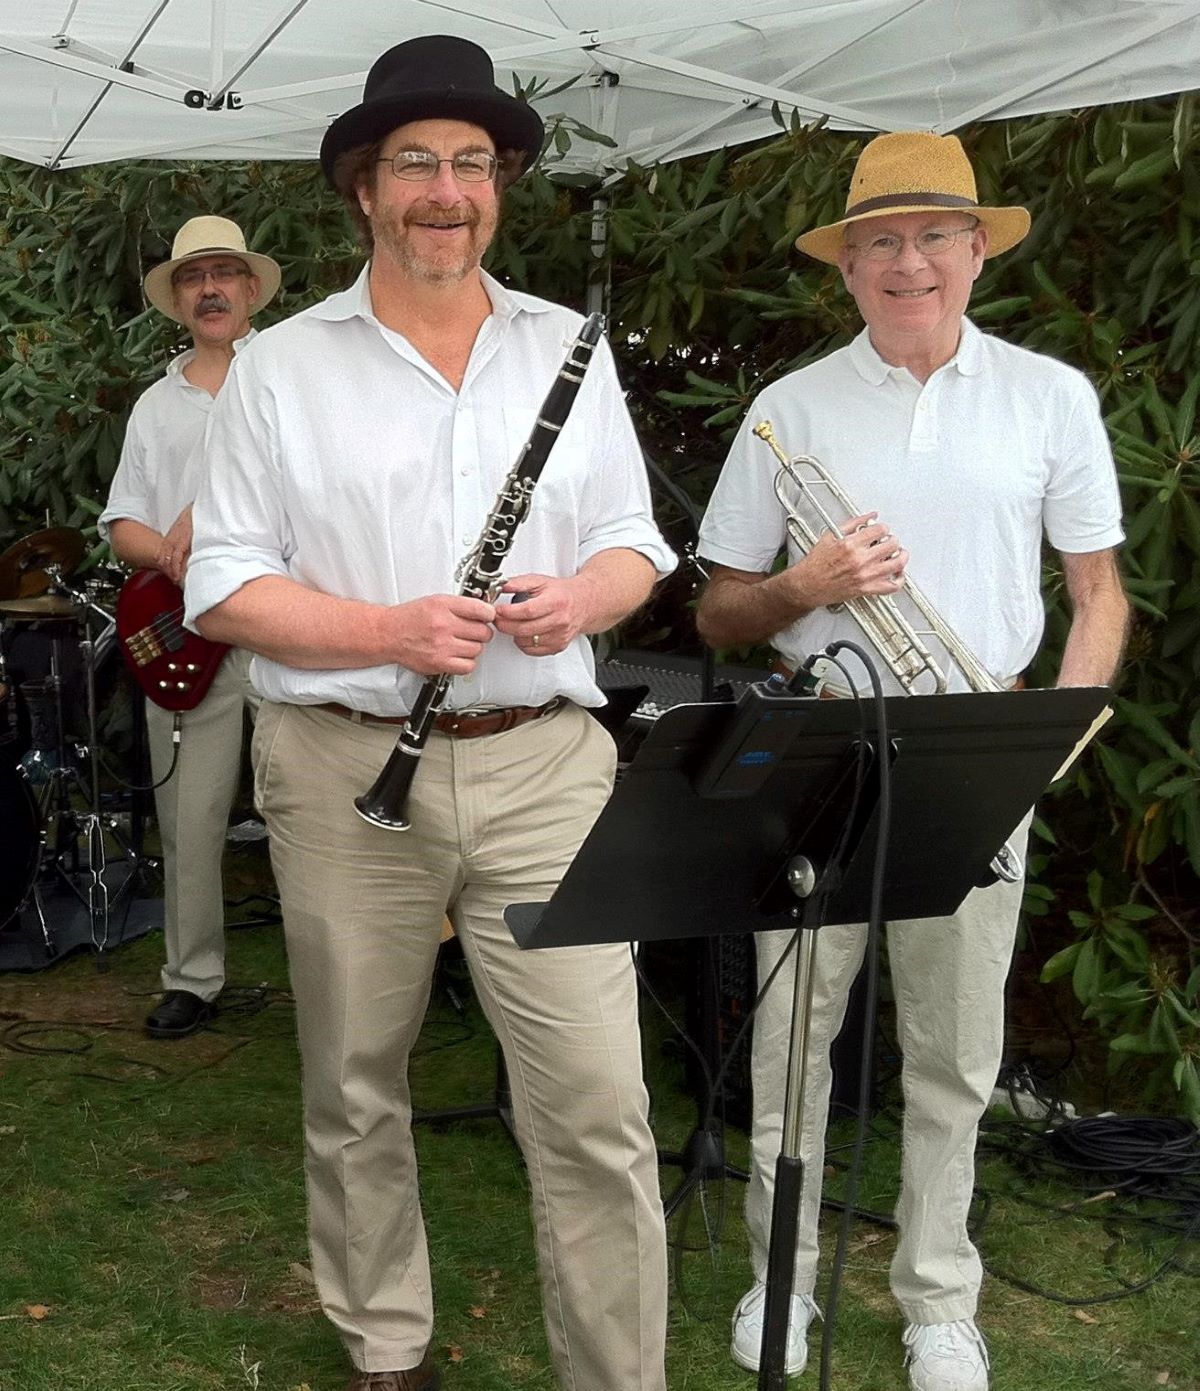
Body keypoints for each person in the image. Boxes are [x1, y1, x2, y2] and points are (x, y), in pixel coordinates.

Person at [183, 35, 673, 1391]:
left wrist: (583, 595)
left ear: (499, 184)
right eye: (415, 164)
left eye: (470, 163)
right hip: (345, 770)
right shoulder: (283, 368)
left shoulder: (571, 344)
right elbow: (223, 582)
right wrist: (387, 627)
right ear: (363, 189)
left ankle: (619, 1371)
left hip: (547, 767)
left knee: (598, 1109)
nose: (445, 189)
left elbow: (636, 539)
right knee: (355, 1082)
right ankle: (385, 1340)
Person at [696, 131, 1129, 1391]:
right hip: (822, 746)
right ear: (845, 268)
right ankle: (778, 1279)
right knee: (795, 1031)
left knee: (955, 1048)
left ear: (978, 248)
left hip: (979, 744)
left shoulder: (1052, 396)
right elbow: (721, 613)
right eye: (880, 239)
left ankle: (940, 1294)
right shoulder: (790, 409)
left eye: (936, 233)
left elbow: (1098, 592)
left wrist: (1055, 730)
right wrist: (803, 583)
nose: (908, 261)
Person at [101, 215, 281, 1038]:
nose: (210, 288)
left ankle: (341, 978)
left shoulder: (291, 377)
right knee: (190, 817)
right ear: (179, 300)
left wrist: (209, 521)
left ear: (249, 289)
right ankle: (191, 978)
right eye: (192, 277)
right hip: (189, 633)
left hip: (287, 625)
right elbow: (122, 525)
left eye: (223, 273)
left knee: (312, 809)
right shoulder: (153, 405)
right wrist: (175, 554)